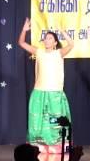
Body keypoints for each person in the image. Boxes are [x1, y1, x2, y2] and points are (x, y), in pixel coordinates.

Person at [18, 17, 74, 153]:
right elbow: (21, 43)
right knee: (38, 122)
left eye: (50, 38)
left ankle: (57, 146)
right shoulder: (39, 52)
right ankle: (39, 146)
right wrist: (24, 30)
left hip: (55, 93)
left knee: (55, 122)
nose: (46, 40)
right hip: (40, 92)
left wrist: (61, 30)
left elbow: (71, 44)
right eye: (45, 38)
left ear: (55, 43)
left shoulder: (58, 53)